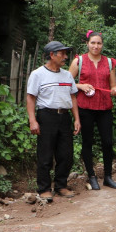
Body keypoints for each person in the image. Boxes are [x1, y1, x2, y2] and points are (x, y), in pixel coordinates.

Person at [26, 41, 81, 202]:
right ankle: (44, 188)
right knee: (45, 154)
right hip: (46, 116)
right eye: (62, 53)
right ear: (52, 55)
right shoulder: (38, 74)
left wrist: (76, 118)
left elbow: (73, 96)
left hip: (64, 117)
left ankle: (61, 185)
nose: (65, 57)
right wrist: (32, 120)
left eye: (65, 53)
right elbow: (31, 97)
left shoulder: (67, 75)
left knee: (66, 154)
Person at [69, 31, 116, 190]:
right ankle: (91, 176)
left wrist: (115, 90)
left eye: (99, 43)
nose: (96, 46)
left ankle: (108, 176)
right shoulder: (79, 61)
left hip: (105, 107)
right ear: (87, 44)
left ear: (102, 45)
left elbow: (113, 85)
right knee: (87, 142)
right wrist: (80, 86)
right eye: (93, 43)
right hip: (85, 108)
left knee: (107, 142)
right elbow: (66, 82)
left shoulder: (109, 63)